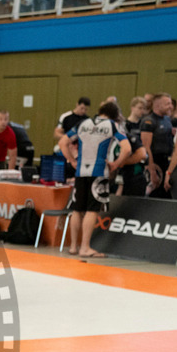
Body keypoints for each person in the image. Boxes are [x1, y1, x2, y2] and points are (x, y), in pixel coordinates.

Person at [58, 101, 131, 258]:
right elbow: (127, 148)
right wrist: (116, 163)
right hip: (99, 172)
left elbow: (62, 142)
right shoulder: (112, 125)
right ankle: (85, 247)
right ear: (115, 115)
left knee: (77, 209)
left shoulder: (83, 123)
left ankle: (73, 246)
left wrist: (71, 160)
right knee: (92, 210)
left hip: (80, 171)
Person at [140, 93, 175, 199]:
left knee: (166, 194)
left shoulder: (168, 120)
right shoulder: (149, 121)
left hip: (167, 162)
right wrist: (152, 170)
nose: (171, 106)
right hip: (155, 161)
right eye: (167, 104)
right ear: (158, 106)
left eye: (171, 103)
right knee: (154, 194)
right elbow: (146, 147)